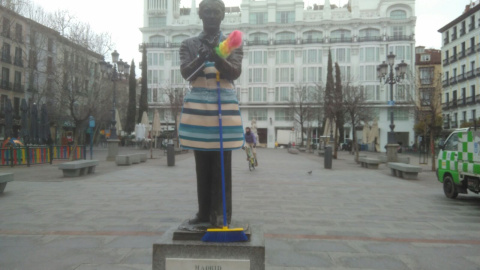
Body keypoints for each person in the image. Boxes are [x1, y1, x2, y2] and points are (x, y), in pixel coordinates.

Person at [178, 0, 244, 228]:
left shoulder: (232, 43)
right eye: (207, 11)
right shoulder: (189, 44)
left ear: (223, 15)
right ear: (200, 13)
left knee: (221, 162)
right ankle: (204, 212)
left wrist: (217, 57)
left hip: (222, 107)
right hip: (199, 109)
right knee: (202, 162)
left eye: (217, 11)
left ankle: (221, 214)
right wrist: (201, 57)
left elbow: (234, 72)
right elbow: (186, 73)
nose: (212, 15)